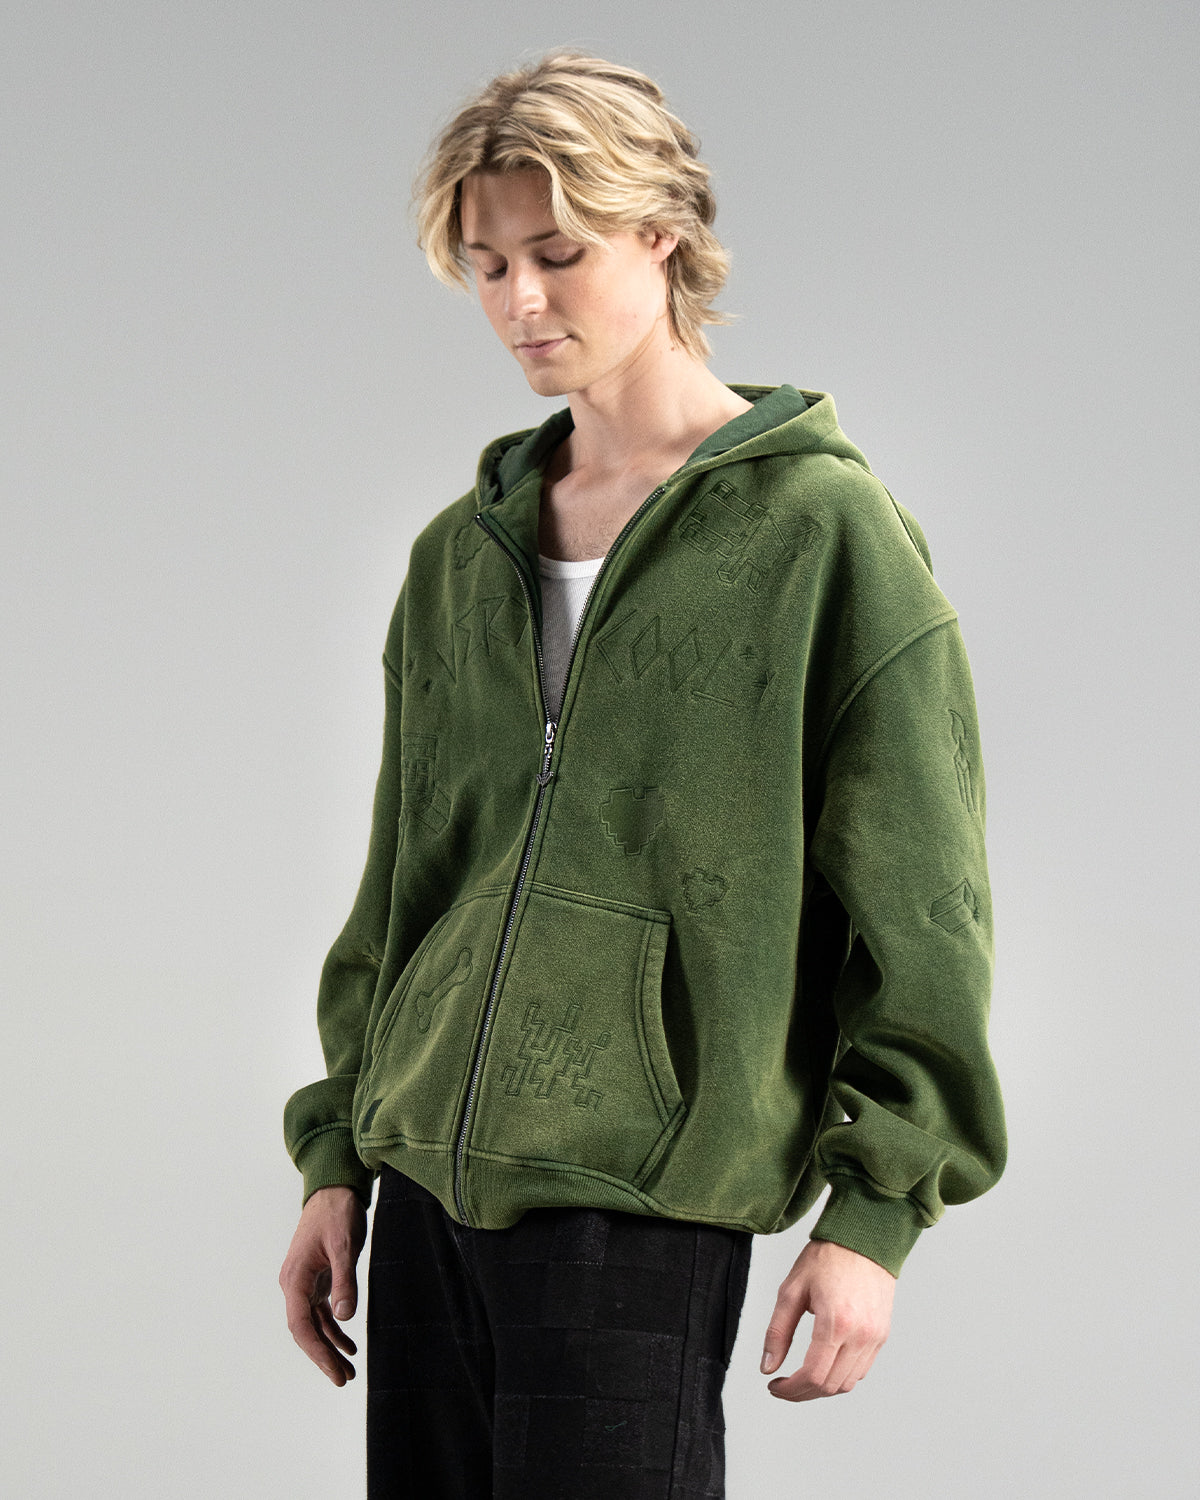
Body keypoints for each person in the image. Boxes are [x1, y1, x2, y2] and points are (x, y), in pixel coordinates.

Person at [279, 48, 1007, 1498]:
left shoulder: (823, 537)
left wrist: (876, 1215)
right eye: (488, 265)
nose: (519, 303)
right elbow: (407, 880)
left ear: (662, 234)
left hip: (639, 1193)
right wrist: (338, 1154)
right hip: (422, 1187)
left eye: (558, 255)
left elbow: (927, 907)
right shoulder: (461, 556)